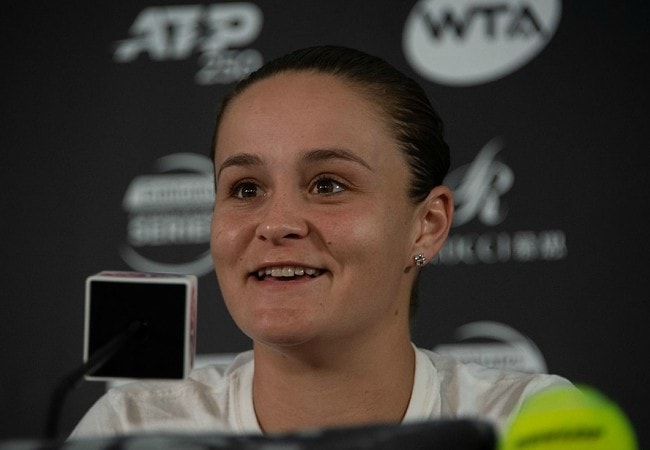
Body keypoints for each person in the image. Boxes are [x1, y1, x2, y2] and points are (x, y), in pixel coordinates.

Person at [69, 45, 573, 439]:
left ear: (428, 225)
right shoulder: (133, 427)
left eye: (328, 185)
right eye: (246, 189)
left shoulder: (527, 423)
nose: (276, 223)